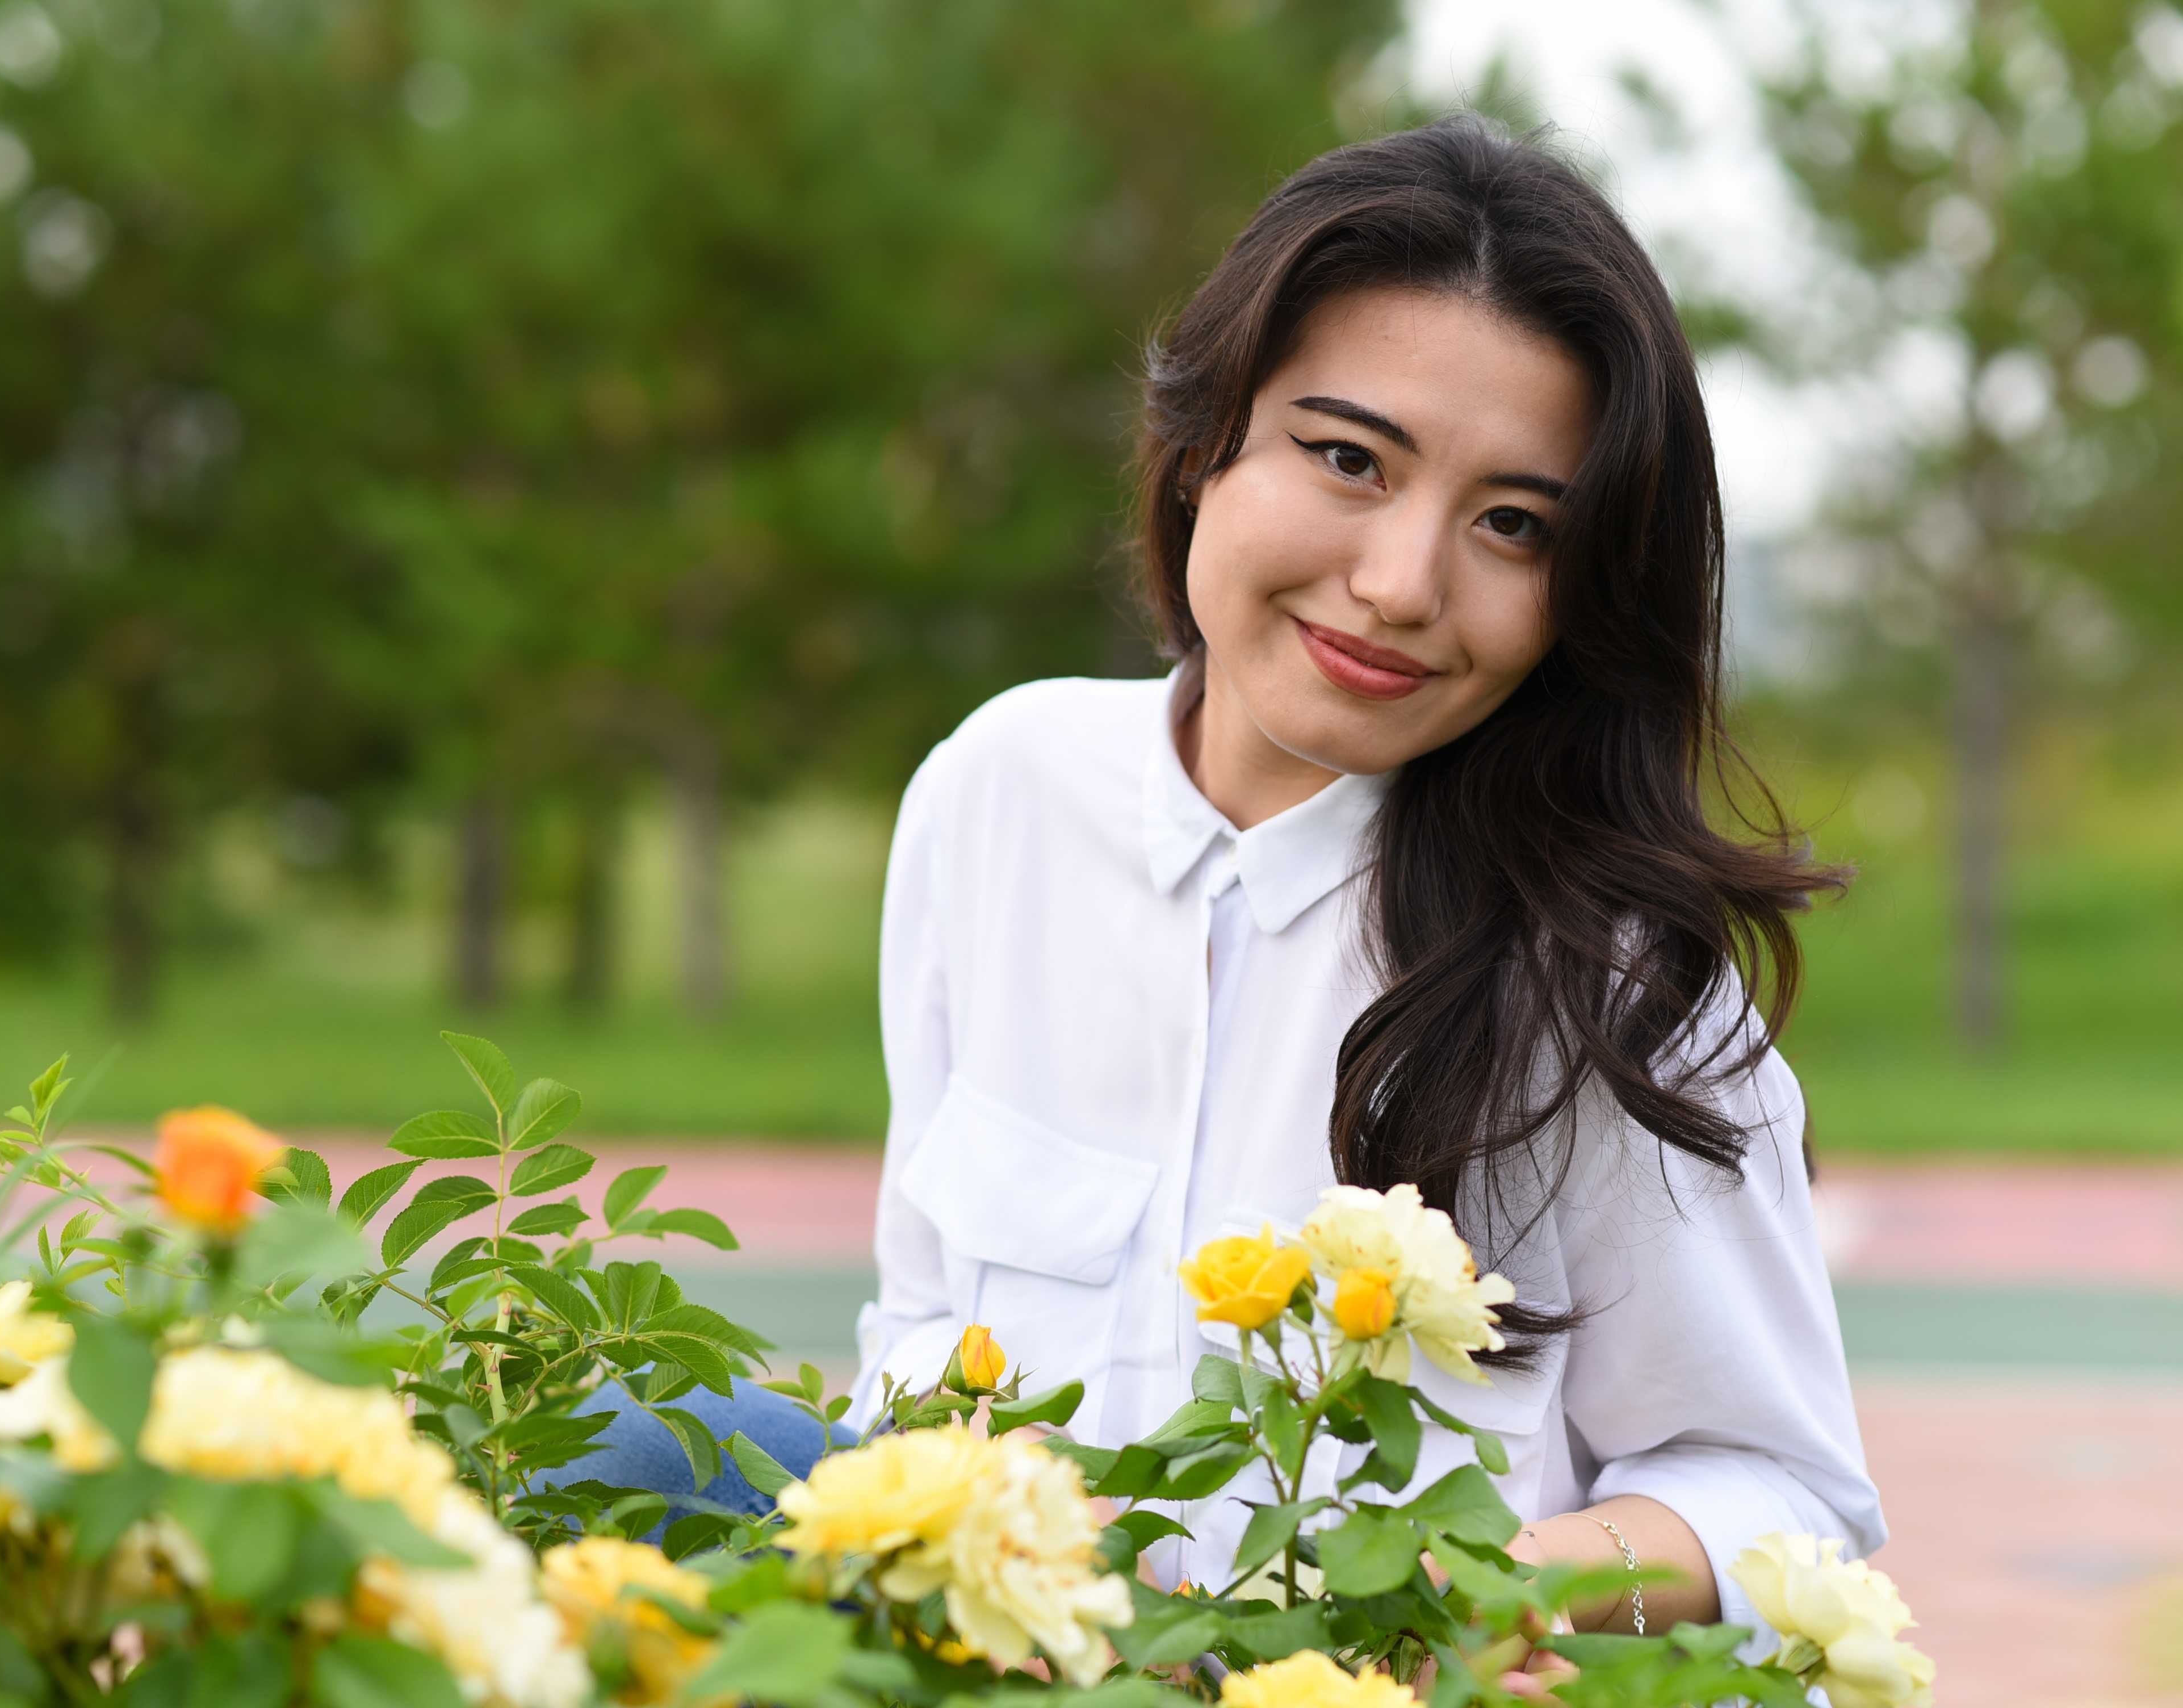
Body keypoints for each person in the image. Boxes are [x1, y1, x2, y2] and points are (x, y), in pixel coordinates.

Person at [552, 114, 1884, 1690]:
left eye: (1513, 525)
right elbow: (921, 1320)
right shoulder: (999, 792)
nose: (1403, 582)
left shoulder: (1607, 986)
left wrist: (1478, 1591)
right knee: (621, 1451)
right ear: (1203, 445)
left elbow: (1781, 1494)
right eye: (1347, 460)